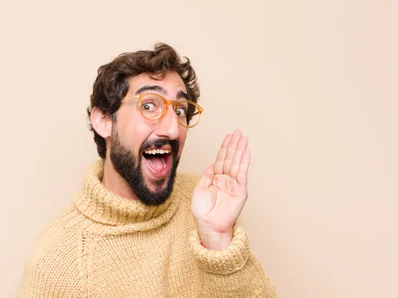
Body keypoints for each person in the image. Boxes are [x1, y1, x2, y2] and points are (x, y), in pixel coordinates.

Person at [18, 43, 277, 297]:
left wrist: (217, 240)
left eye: (179, 110)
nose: (173, 129)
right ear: (104, 121)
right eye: (149, 106)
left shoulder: (206, 205)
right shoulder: (58, 264)